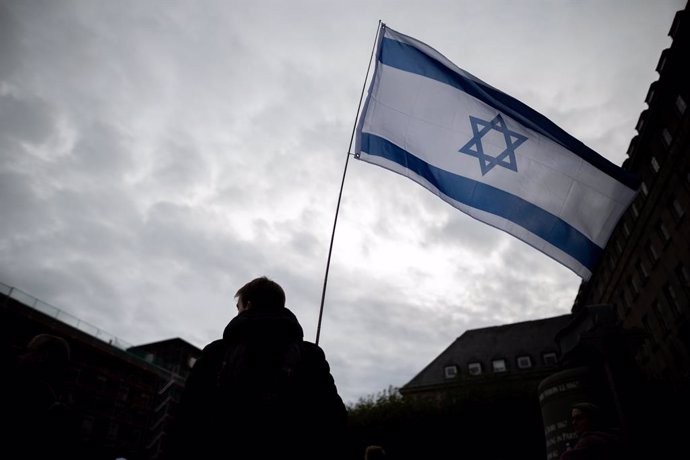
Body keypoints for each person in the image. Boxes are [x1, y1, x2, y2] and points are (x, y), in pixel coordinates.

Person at [169, 276, 347, 460]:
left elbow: (188, 418)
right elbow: (334, 421)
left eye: (238, 307)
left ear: (248, 304)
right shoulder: (311, 355)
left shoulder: (216, 352)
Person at [2, 333, 75, 459]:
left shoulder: (27, 391)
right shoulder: (61, 400)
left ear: (43, 356)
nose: (21, 356)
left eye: (28, 351)